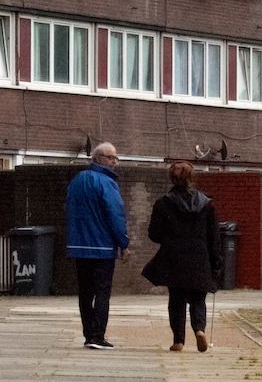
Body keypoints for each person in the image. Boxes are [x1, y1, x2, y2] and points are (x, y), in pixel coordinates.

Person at [143, 162, 221, 353]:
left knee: (176, 299)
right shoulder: (207, 204)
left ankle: (178, 341)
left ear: (172, 178)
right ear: (192, 177)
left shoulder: (163, 203)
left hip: (175, 257)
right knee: (198, 298)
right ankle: (200, 330)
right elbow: (214, 237)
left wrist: (170, 238)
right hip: (200, 256)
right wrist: (216, 263)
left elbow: (154, 234)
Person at [66, 142, 130, 350]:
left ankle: (88, 334)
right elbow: (115, 215)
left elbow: (68, 208)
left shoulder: (76, 181)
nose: (114, 162)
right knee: (102, 291)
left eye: (115, 158)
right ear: (99, 158)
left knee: (85, 292)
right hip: (102, 247)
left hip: (79, 245)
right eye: (111, 157)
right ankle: (97, 335)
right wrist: (123, 243)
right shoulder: (107, 183)